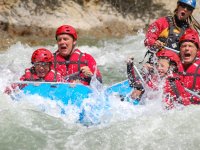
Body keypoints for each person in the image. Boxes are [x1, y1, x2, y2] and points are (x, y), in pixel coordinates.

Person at [178, 29, 200, 104]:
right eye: (184, 46)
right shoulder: (171, 66)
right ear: (180, 50)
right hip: (176, 108)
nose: (187, 49)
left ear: (197, 51)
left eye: (190, 46)